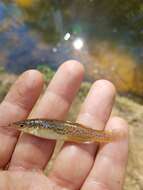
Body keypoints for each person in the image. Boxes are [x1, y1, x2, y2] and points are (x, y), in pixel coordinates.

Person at [0, 60, 128, 190]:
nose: (21, 128)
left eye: (22, 127)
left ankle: (109, 137)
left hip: (73, 131)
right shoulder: (35, 128)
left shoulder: (36, 128)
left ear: (34, 127)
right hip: (71, 131)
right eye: (22, 126)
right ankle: (108, 137)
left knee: (96, 135)